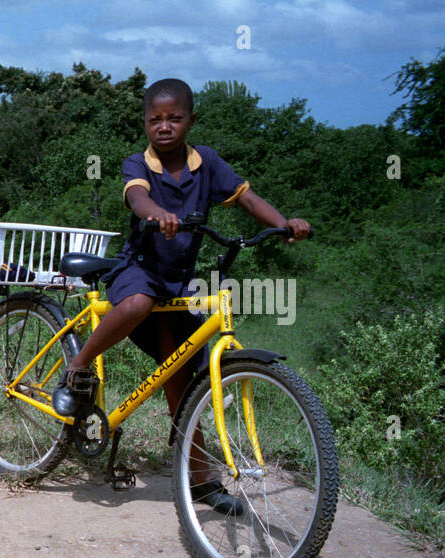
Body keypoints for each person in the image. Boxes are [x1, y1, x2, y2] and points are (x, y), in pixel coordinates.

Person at [51, 77, 311, 513]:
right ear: (144, 123)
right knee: (136, 304)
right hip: (141, 271)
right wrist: (159, 215)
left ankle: (203, 482)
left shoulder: (206, 163)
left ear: (191, 120)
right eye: (155, 119)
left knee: (181, 383)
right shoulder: (138, 163)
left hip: (179, 280)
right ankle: (77, 369)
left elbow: (247, 199)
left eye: (174, 118)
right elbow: (137, 200)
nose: (165, 127)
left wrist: (286, 224)